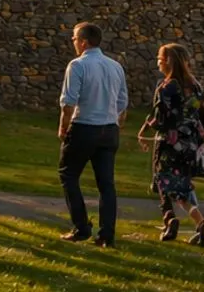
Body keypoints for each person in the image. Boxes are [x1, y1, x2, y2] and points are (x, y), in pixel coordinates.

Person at [57, 21, 130, 247]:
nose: (73, 43)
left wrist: (63, 127)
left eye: (75, 39)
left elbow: (69, 102)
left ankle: (81, 226)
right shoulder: (115, 66)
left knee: (68, 175)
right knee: (106, 183)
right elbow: (122, 102)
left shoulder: (78, 65)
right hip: (109, 129)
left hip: (84, 126)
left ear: (84, 42)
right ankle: (107, 233)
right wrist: (115, 121)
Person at [138, 43, 204, 245]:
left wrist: (145, 131)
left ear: (168, 61)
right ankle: (198, 221)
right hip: (190, 143)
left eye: (160, 59)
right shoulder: (195, 87)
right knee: (183, 186)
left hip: (169, 143)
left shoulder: (166, 87)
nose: (158, 63)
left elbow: (160, 116)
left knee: (163, 181)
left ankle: (170, 218)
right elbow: (203, 112)